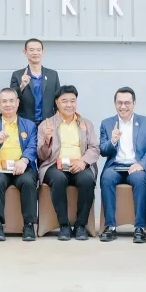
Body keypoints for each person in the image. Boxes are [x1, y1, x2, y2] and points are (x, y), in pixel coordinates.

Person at [37, 85, 99, 241]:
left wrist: (83, 161)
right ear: (57, 102)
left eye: (73, 101)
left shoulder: (86, 124)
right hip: (54, 165)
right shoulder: (46, 125)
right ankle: (64, 225)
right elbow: (41, 156)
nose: (69, 105)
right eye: (65, 101)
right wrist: (47, 141)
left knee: (87, 180)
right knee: (58, 179)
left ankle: (80, 225)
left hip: (80, 164)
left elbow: (94, 148)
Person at [98, 87, 146, 243]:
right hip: (115, 166)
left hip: (135, 166)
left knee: (139, 179)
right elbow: (103, 151)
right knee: (106, 178)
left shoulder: (145, 122)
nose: (123, 106)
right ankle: (110, 227)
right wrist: (112, 141)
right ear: (114, 104)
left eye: (127, 103)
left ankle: (139, 228)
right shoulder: (107, 123)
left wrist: (141, 164)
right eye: (119, 103)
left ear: (134, 103)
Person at [0, 87, 38, 241]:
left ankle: (29, 225)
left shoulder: (29, 125)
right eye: (4, 101)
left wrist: (24, 160)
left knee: (28, 182)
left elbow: (33, 146)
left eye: (11, 101)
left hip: (22, 166)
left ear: (18, 103)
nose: (8, 104)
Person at [10, 38, 61, 124]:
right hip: (25, 123)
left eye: (38, 50)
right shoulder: (17, 75)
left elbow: (58, 100)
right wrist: (22, 86)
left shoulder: (53, 75)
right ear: (25, 52)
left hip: (48, 123)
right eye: (31, 50)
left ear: (43, 52)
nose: (35, 53)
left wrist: (58, 121)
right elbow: (11, 99)